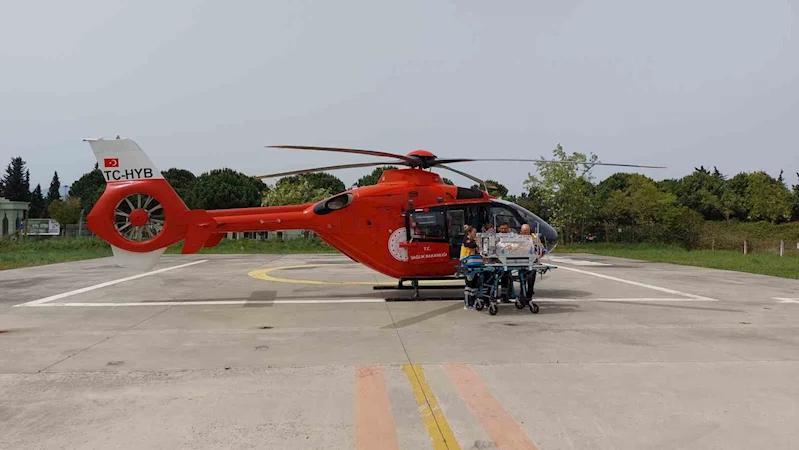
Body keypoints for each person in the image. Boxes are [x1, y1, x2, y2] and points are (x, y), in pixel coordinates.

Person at [460, 226, 481, 309]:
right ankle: (467, 303)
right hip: (466, 264)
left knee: (475, 284)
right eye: (474, 232)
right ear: (469, 233)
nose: (475, 234)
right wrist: (477, 243)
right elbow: (471, 245)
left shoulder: (473, 240)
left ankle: (473, 302)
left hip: (473, 264)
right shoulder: (466, 240)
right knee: (469, 284)